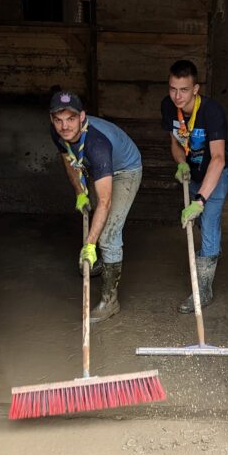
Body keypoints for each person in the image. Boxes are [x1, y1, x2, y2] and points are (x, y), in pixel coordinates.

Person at [49, 90, 142, 324]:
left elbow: (105, 202)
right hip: (95, 165)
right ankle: (102, 261)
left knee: (109, 235)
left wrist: (89, 245)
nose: (64, 126)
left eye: (70, 119)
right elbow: (67, 156)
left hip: (125, 170)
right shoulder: (58, 132)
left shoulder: (96, 145)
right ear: (52, 119)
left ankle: (110, 301)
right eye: (58, 120)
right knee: (95, 217)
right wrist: (80, 192)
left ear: (82, 116)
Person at [161, 60, 228, 313]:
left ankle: (203, 291)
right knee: (202, 224)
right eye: (172, 89)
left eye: (183, 90)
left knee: (209, 222)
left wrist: (201, 199)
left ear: (195, 89)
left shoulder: (212, 112)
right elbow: (175, 141)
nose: (177, 96)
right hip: (191, 171)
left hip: (216, 172)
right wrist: (181, 163)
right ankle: (211, 254)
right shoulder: (168, 107)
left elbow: (218, 158)